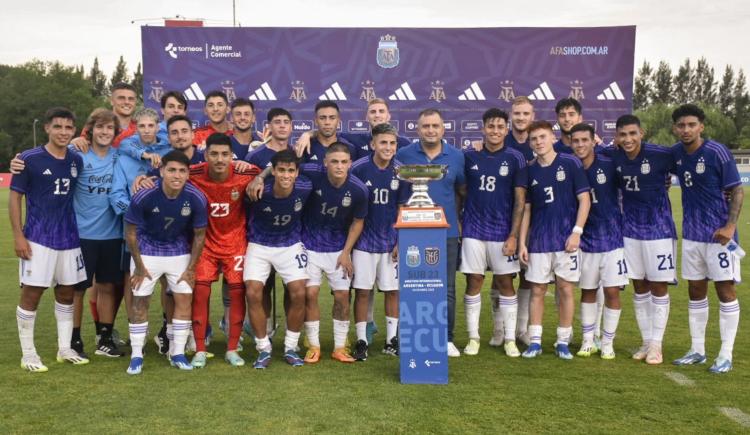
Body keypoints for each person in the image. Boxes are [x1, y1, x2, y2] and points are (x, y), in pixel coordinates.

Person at [11, 107, 88, 372]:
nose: (63, 132)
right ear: (47, 128)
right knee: (32, 293)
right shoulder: (29, 159)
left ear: (74, 130)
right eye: (58, 127)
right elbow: (14, 198)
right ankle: (28, 354)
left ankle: (64, 348)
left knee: (67, 292)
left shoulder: (76, 160)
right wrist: (19, 236)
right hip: (38, 238)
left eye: (68, 127)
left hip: (69, 237)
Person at [670, 104, 743, 373]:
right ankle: (697, 349)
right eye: (681, 125)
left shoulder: (716, 152)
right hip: (691, 235)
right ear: (675, 128)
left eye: (691, 125)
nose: (686, 130)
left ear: (701, 126)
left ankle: (725, 354)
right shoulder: (676, 153)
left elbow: (736, 191)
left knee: (725, 290)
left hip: (719, 236)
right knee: (695, 290)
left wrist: (730, 226)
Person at [124, 150, 208, 374]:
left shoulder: (196, 197)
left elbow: (200, 234)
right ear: (161, 171)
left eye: (182, 171)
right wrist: (139, 266)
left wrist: (191, 268)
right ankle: (136, 355)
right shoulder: (145, 195)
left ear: (188, 174)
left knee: (183, 301)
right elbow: (130, 233)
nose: (176, 175)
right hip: (147, 251)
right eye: (171, 170)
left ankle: (177, 353)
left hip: (178, 252)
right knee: (139, 303)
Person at [607, 114, 676, 365]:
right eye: (622, 135)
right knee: (638, 286)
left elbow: (686, 165)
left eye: (632, 134)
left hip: (659, 230)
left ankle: (657, 344)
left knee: (658, 286)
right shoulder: (612, 155)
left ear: (642, 133)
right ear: (616, 137)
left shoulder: (660, 154)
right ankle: (646, 341)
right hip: (630, 230)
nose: (628, 139)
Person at [518, 120, 590, 359]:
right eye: (533, 139)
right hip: (539, 241)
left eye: (542, 137)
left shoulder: (570, 163)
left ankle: (562, 341)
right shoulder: (529, 169)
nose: (538, 142)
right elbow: (527, 210)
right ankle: (535, 342)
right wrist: (522, 242)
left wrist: (577, 232)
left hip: (566, 240)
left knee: (566, 289)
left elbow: (585, 200)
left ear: (552, 137)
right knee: (537, 289)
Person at [188, 133, 261, 368]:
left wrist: (260, 177)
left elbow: (266, 172)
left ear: (232, 156)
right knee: (201, 293)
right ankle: (200, 348)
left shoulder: (244, 172)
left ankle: (232, 348)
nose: (220, 159)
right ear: (206, 154)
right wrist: (145, 178)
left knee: (237, 294)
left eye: (225, 154)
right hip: (205, 245)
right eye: (214, 154)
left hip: (235, 243)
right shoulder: (193, 173)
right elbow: (170, 175)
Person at [396, 109, 465, 357]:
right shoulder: (404, 155)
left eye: (435, 126)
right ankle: (411, 337)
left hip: (445, 233)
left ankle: (446, 338)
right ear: (418, 129)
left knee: (446, 287)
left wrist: (454, 219)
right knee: (412, 284)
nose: (431, 130)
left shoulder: (456, 156)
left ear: (443, 128)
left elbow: (460, 191)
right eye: (426, 126)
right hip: (412, 232)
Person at [459, 108, 526, 358]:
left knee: (505, 282)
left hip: (502, 233)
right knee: (473, 281)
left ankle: (509, 339)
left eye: (500, 127)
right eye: (491, 126)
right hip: (474, 230)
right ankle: (473, 338)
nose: (495, 131)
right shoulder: (469, 156)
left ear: (506, 130)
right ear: (483, 128)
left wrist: (513, 235)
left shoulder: (515, 158)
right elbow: (462, 190)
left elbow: (520, 200)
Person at [297, 143, 368, 363]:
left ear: (350, 164)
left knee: (342, 297)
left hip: (338, 249)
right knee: (310, 294)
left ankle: (339, 347)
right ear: (325, 162)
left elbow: (358, 222)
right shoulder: (311, 171)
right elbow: (284, 167)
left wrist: (346, 252)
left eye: (344, 162)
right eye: (334, 161)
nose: (339, 166)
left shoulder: (358, 189)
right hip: (309, 246)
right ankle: (314, 345)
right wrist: (261, 177)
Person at [244, 150, 312, 368]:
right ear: (273, 171)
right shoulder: (258, 190)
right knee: (253, 292)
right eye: (281, 170)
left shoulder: (305, 186)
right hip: (259, 244)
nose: (286, 175)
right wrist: (259, 178)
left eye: (291, 171)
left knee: (299, 292)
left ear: (297, 173)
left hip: (290, 244)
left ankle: (291, 348)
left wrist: (260, 175)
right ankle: (263, 349)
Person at [351, 123, 410, 360]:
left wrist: (399, 240)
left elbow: (402, 208)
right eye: (383, 142)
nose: (388, 147)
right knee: (363, 292)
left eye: (392, 143)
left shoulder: (401, 171)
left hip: (389, 243)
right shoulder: (358, 169)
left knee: (392, 291)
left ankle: (391, 340)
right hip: (363, 243)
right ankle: (361, 340)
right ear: (373, 144)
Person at [570, 123, 627, 359]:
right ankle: (587, 339)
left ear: (594, 141)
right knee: (588, 290)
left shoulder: (609, 163)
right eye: (576, 141)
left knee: (612, 291)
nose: (580, 145)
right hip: (586, 240)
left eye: (585, 140)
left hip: (613, 239)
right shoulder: (570, 166)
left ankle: (608, 342)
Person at [71, 109, 125, 358]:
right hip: (82, 235)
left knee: (106, 287)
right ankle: (73, 338)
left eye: (109, 128)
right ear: (90, 130)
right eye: (100, 127)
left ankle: (105, 338)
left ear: (115, 133)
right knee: (78, 289)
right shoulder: (78, 153)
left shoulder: (119, 156)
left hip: (112, 235)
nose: (105, 132)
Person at [71, 82, 138, 149]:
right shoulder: (97, 122)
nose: (127, 102)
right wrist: (75, 141)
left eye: (131, 99)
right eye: (121, 98)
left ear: (135, 102)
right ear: (111, 101)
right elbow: (81, 142)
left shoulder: (141, 127)